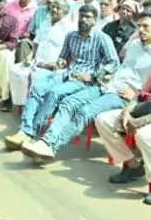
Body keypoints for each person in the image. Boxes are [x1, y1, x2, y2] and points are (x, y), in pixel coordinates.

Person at [22, 13, 151, 161]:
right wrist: (100, 77)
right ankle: (45, 141)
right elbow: (118, 66)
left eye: (145, 26)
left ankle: (50, 145)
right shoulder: (134, 45)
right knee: (68, 102)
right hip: (107, 85)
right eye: (139, 26)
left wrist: (137, 94)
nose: (141, 29)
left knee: (85, 111)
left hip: (124, 95)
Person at [4, 5, 119, 151]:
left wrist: (94, 75)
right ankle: (25, 130)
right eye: (81, 16)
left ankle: (33, 131)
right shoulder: (71, 36)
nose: (83, 20)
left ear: (94, 20)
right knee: (38, 87)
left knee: (55, 93)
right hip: (67, 73)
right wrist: (60, 63)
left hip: (85, 81)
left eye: (88, 17)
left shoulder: (102, 38)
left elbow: (114, 63)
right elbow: (63, 58)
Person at [7, 0, 74, 114]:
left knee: (36, 77)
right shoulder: (46, 22)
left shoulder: (69, 28)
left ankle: (34, 110)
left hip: (54, 66)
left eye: (58, 8)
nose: (54, 9)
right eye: (53, 7)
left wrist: (58, 64)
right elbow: (36, 43)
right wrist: (29, 56)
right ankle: (21, 103)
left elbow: (70, 53)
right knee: (16, 71)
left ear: (65, 12)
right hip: (37, 62)